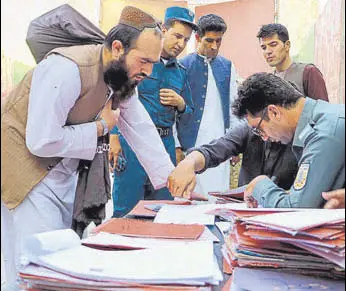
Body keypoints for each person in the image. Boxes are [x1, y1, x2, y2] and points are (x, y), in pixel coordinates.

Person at [1, 6, 176, 281]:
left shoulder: (121, 76)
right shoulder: (66, 68)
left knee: (55, 264)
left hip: (62, 176)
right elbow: (41, 141)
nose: (149, 71)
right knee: (34, 270)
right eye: (144, 60)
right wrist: (101, 127)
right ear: (117, 48)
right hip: (27, 176)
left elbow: (140, 127)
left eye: (153, 62)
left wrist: (174, 180)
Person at [168, 73, 345, 209]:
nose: (263, 137)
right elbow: (217, 148)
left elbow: (299, 209)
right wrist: (188, 163)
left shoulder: (322, 133)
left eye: (260, 130)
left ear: (274, 112)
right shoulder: (321, 120)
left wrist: (260, 184)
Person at [109, 6, 196, 217]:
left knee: (163, 208)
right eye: (177, 36)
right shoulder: (137, 62)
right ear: (163, 30)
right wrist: (113, 137)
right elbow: (118, 101)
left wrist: (181, 103)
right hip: (131, 143)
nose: (180, 44)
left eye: (186, 40)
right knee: (127, 207)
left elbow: (189, 111)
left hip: (164, 143)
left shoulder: (181, 72)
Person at [175, 14, 238, 196]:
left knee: (218, 197)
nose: (214, 46)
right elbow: (172, 114)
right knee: (189, 198)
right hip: (190, 145)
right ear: (197, 38)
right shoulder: (181, 65)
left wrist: (234, 144)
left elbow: (234, 107)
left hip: (220, 145)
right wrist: (177, 146)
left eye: (218, 41)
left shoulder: (228, 66)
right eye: (209, 41)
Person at [257, 23, 328, 101]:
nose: (268, 51)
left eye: (273, 45)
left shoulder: (308, 72)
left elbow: (323, 110)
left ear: (287, 45)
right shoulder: (268, 81)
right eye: (264, 48)